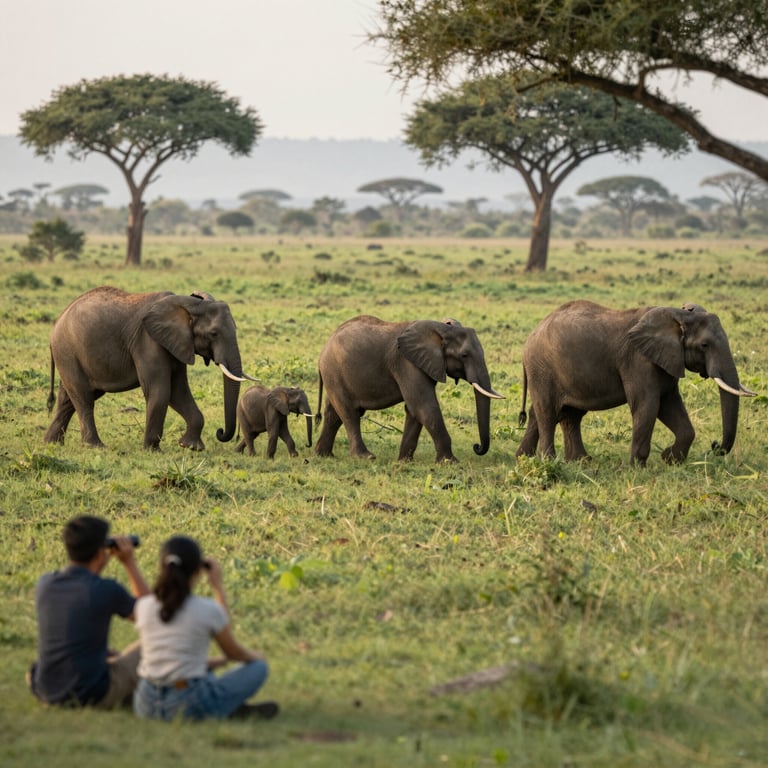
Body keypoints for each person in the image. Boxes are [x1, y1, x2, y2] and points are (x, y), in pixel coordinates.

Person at [133, 535, 277, 721]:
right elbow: (233, 651)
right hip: (187, 702)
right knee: (258, 668)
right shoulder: (206, 609)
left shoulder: (143, 605)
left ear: (161, 567)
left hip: (145, 703)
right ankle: (224, 708)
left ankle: (227, 707)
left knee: (204, 674)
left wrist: (215, 663)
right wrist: (217, 586)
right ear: (198, 571)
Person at [28, 515, 150, 708]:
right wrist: (129, 563)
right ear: (102, 552)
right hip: (91, 693)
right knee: (154, 644)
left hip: (45, 689)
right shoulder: (106, 589)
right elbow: (153, 618)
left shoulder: (45, 583)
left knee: (107, 655)